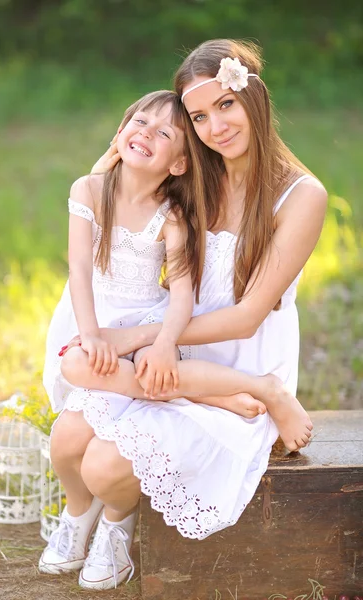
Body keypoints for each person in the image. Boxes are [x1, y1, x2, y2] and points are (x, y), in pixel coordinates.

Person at [41, 39, 327, 591]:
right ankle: (86, 519)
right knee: (70, 436)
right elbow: (118, 189)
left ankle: (118, 529)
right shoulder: (201, 179)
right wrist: (109, 159)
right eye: (198, 116)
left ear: (255, 99)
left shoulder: (300, 195)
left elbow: (245, 318)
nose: (215, 127)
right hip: (173, 350)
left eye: (225, 105)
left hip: (237, 355)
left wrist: (131, 338)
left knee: (103, 462)